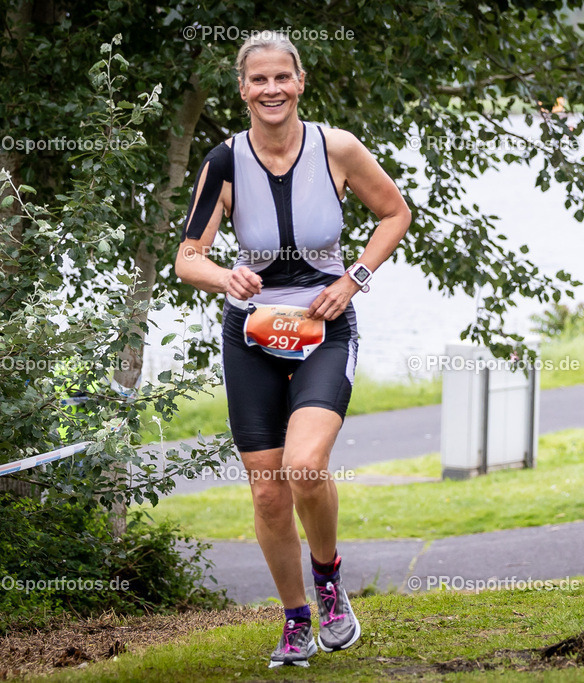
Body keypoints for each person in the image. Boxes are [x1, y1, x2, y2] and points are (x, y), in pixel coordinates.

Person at [175, 32, 411, 668]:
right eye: (259, 80)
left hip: (323, 326)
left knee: (305, 466)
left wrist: (353, 278)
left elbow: (395, 213)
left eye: (283, 77)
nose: (271, 89)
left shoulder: (337, 148)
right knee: (267, 493)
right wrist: (227, 276)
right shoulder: (224, 161)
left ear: (300, 82)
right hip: (250, 334)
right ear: (243, 89)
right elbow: (186, 258)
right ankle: (295, 619)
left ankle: (329, 581)